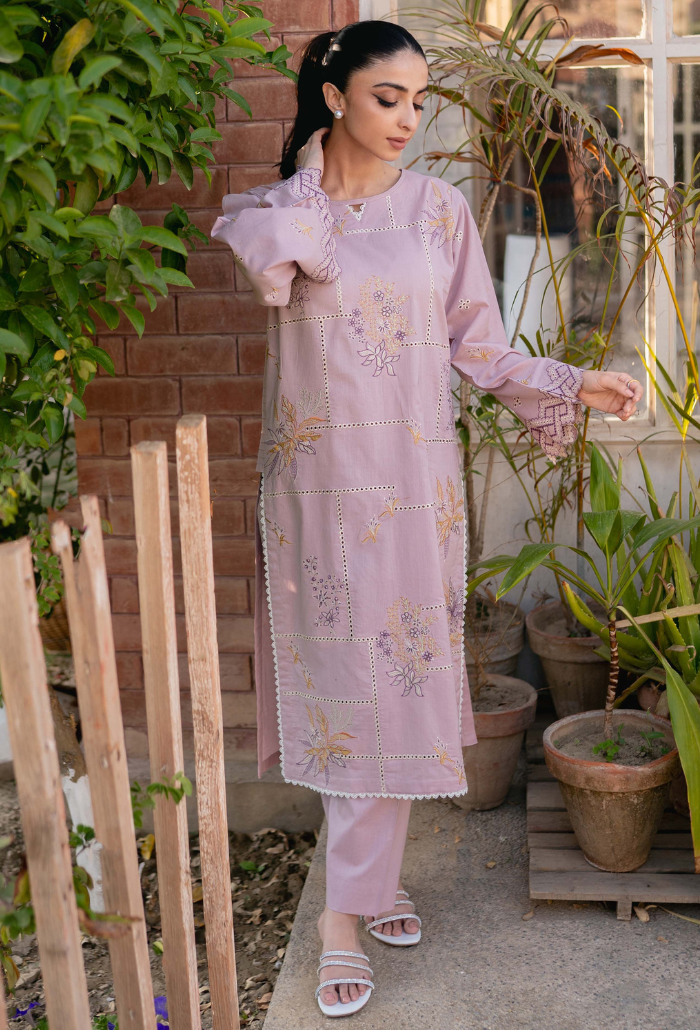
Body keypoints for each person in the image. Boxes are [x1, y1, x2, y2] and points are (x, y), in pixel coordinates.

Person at [210, 20, 643, 1018]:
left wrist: (570, 382)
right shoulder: (280, 214)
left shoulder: (438, 212)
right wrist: (311, 183)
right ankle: (350, 911)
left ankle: (360, 896)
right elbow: (273, 270)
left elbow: (479, 349)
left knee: (396, 681)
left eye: (418, 100)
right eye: (385, 98)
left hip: (413, 493)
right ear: (334, 98)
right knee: (344, 685)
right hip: (318, 494)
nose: (408, 119)